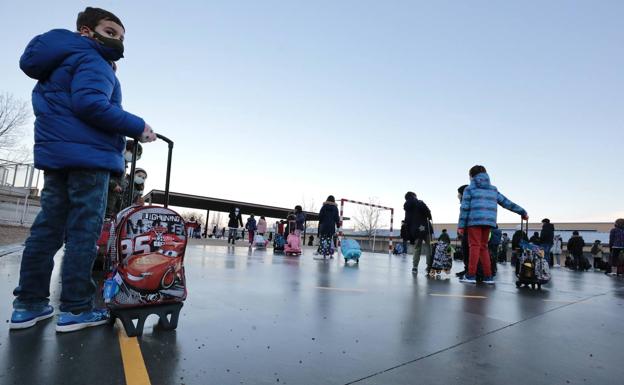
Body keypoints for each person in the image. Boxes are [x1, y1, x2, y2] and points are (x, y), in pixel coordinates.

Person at [11, 7, 157, 332]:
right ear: (85, 32)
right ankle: (76, 308)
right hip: (89, 159)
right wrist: (138, 126)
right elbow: (91, 105)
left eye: (120, 37)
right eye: (109, 32)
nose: (117, 41)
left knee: (48, 229)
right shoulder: (93, 61)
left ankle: (28, 304)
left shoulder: (63, 60)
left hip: (57, 155)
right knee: (84, 232)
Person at [458, 165, 528, 285]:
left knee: (474, 246)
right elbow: (506, 202)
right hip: (489, 222)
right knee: (484, 247)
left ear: (472, 176)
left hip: (474, 222)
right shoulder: (493, 189)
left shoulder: (469, 189)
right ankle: (488, 276)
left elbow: (464, 208)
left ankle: (470, 275)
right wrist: (522, 212)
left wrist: (461, 226)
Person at [403, 191, 433, 274]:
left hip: (415, 230)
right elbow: (428, 213)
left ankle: (415, 267)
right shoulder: (420, 202)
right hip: (425, 228)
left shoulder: (407, 207)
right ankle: (429, 266)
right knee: (429, 247)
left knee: (417, 248)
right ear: (413, 196)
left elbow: (407, 221)